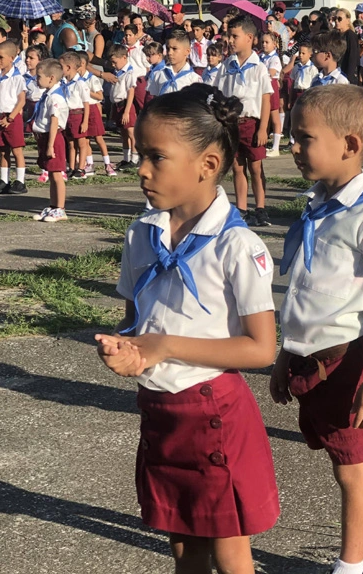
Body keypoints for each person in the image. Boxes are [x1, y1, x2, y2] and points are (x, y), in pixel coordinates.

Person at [96, 84, 280, 573]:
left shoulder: (236, 245)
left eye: (157, 157)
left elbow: (262, 348)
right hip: (160, 411)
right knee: (182, 544)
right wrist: (127, 348)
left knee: (228, 548)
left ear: (209, 165)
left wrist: (165, 346)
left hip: (212, 410)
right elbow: (138, 318)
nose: (141, 169)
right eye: (140, 154)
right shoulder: (142, 233)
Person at [272, 84, 363, 574]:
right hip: (313, 358)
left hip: (349, 361)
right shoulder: (319, 205)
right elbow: (303, 289)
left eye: (303, 138)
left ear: (349, 145)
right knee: (348, 462)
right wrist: (286, 354)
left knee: (352, 470)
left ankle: (350, 566)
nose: (291, 147)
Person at [213, 16, 273, 227]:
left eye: (234, 36)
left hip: (252, 123)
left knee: (256, 168)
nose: (230, 40)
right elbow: (220, 92)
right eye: (229, 36)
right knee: (237, 168)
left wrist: (263, 128)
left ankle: (261, 207)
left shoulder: (259, 67)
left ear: (249, 38)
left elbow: (266, 98)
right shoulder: (226, 65)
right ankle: (242, 208)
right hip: (231, 123)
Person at [31, 59, 69, 221]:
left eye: (39, 76)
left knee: (56, 174)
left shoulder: (56, 98)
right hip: (45, 137)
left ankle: (60, 208)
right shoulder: (48, 94)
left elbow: (55, 121)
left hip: (53, 138)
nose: (36, 79)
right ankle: (53, 206)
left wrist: (50, 145)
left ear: (51, 78)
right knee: (51, 174)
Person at [0, 41, 28, 194]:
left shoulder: (17, 78)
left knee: (16, 150)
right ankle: (4, 179)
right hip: (0, 116)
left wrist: (10, 118)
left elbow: (21, 100)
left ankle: (20, 181)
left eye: (0, 57)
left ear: (11, 58)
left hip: (11, 117)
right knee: (3, 150)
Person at [77, 51, 113, 176]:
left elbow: (100, 96)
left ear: (84, 63)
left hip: (92, 108)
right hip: (82, 109)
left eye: (79, 63)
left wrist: (87, 92)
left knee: (98, 138)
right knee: (85, 140)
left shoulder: (91, 78)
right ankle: (89, 164)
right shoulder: (76, 79)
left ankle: (107, 164)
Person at [58, 51, 91, 179]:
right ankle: (71, 167)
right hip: (67, 114)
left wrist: (85, 121)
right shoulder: (64, 83)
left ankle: (81, 168)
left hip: (78, 114)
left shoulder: (80, 83)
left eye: (61, 67)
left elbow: (86, 103)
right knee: (70, 143)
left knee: (81, 143)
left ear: (68, 67)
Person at [108, 44, 141, 171]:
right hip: (117, 105)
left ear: (124, 58)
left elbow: (130, 92)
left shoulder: (129, 73)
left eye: (115, 62)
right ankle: (126, 158)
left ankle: (134, 158)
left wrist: (127, 112)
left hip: (126, 105)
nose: (113, 65)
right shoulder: (116, 72)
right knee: (123, 133)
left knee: (130, 132)